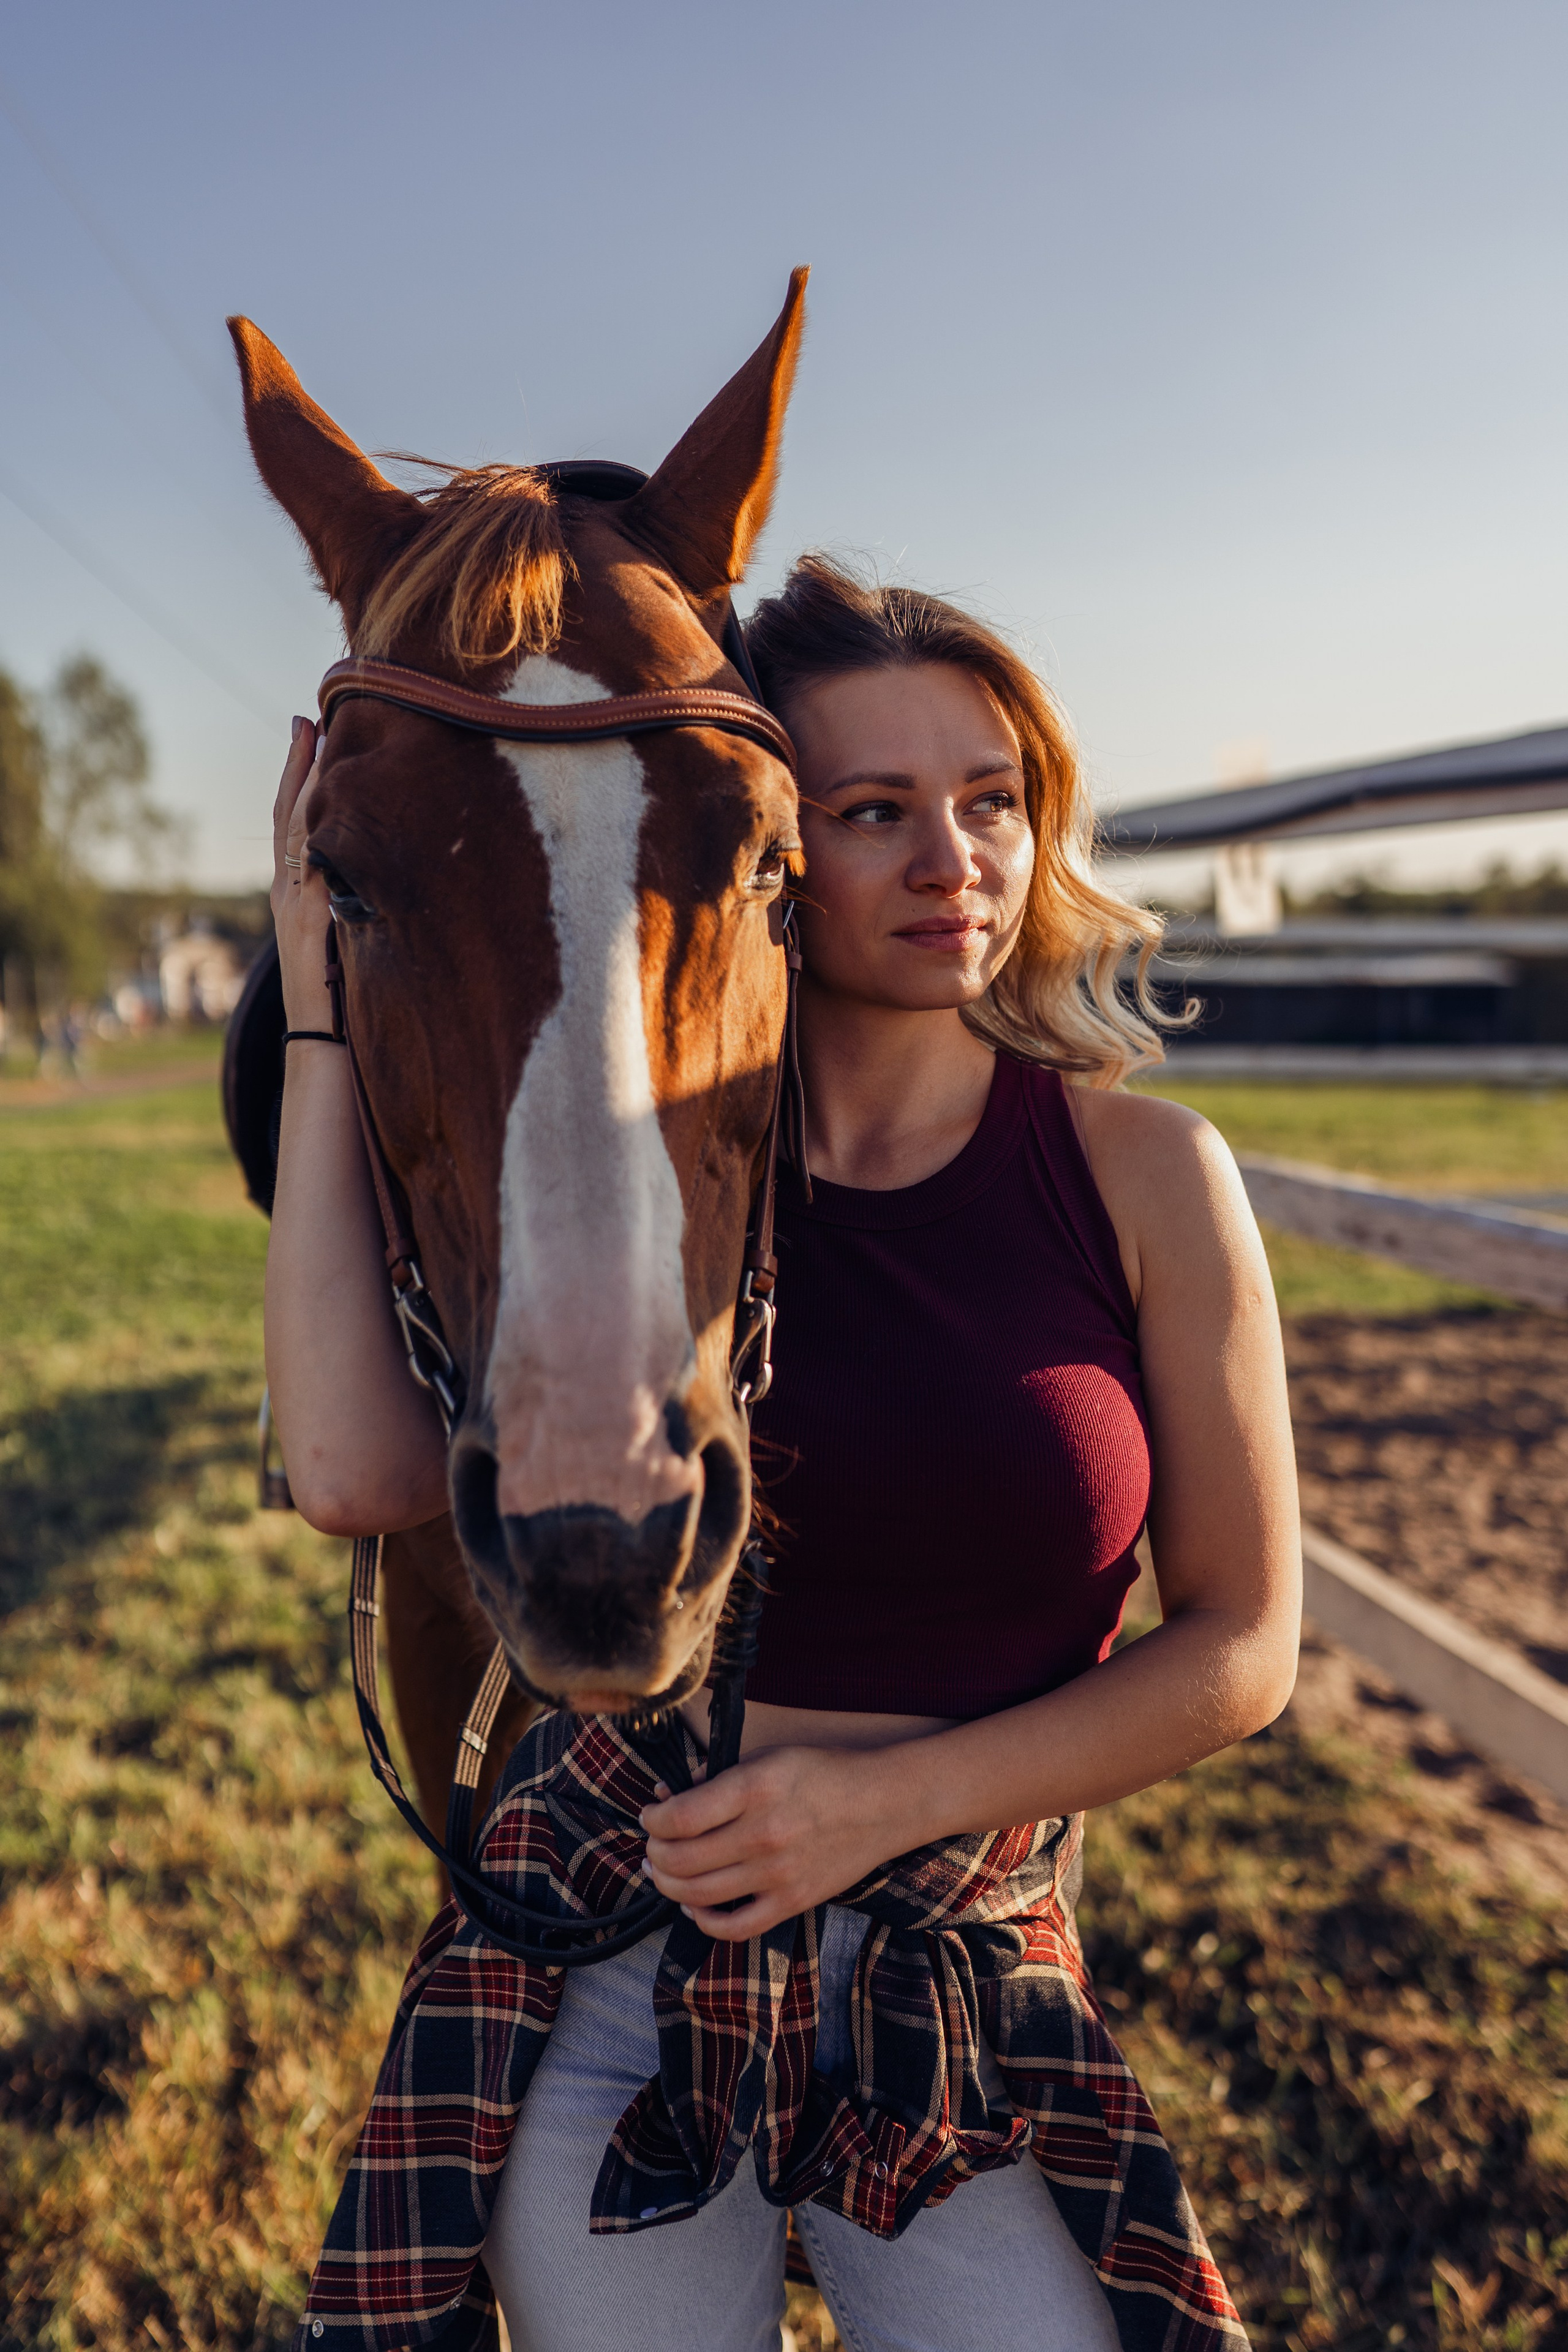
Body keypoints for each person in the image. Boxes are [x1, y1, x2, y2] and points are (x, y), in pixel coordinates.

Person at [267, 556, 1299, 2352]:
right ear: (761, 845)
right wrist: (312, 994)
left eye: (994, 803)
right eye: (877, 811)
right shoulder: (628, 1187)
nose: (954, 861)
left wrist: (873, 1810)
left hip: (958, 1979)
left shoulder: (1146, 1179)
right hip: (622, 1959)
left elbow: (1244, 1649)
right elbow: (356, 1476)